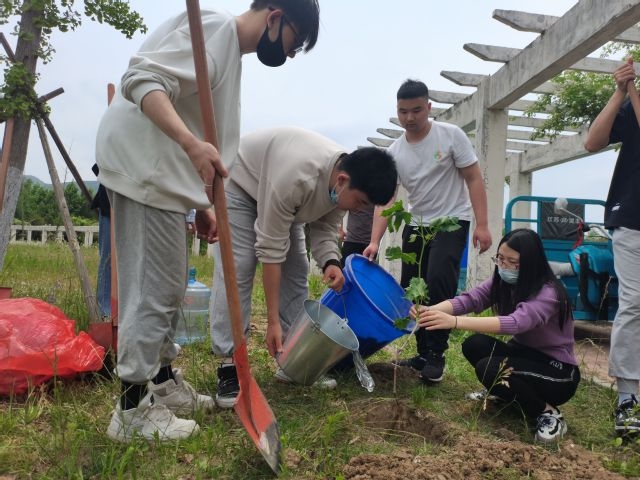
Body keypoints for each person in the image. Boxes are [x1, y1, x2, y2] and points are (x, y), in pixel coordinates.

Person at [95, 1, 321, 442]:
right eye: (297, 40)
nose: (291, 54)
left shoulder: (228, 53)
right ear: (275, 16)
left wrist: (200, 203)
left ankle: (160, 384)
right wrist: (189, 144)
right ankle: (131, 412)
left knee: (171, 284)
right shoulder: (214, 31)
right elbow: (141, 80)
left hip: (163, 177)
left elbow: (203, 132)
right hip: (144, 170)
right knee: (154, 287)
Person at [211, 126, 397, 408]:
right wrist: (272, 321)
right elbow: (271, 251)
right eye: (361, 202)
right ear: (343, 180)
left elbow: (324, 229)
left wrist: (330, 262)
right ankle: (229, 363)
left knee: (297, 271)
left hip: (287, 202)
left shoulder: (341, 187)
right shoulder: (297, 177)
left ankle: (293, 359)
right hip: (242, 186)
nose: (360, 210)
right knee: (238, 268)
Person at [362, 79, 492, 384]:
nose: (410, 117)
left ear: (429, 107)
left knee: (437, 282)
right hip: (416, 225)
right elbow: (387, 199)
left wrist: (482, 225)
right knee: (411, 287)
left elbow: (473, 178)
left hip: (451, 221)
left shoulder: (451, 137)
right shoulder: (395, 152)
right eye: (403, 111)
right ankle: (421, 352)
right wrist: (373, 241)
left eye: (416, 110)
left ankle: (437, 353)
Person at [411, 228, 580, 443]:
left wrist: (454, 322)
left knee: (489, 369)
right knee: (474, 345)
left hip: (557, 373)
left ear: (531, 263)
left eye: (512, 261)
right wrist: (431, 310)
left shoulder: (549, 293)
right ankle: (506, 395)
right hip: (524, 356)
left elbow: (516, 323)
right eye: (500, 258)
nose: (504, 265)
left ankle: (548, 413)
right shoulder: (504, 283)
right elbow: (470, 300)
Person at [584, 58, 640, 436]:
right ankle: (628, 398)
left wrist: (632, 89)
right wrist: (619, 90)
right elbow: (592, 142)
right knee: (634, 303)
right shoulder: (629, 103)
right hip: (632, 217)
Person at [90, 164, 111, 319]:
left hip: (136, 206)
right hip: (110, 205)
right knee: (108, 259)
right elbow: (100, 167)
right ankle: (105, 312)